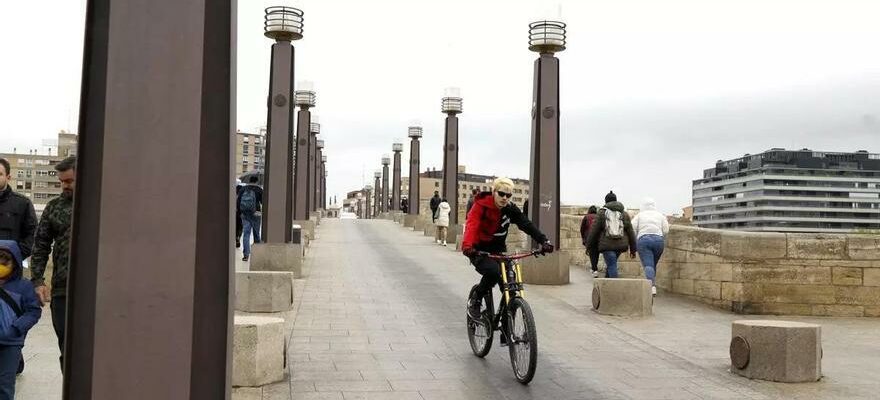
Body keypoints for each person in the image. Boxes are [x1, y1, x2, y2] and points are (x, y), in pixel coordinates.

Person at [462, 178, 554, 320]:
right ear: (494, 192)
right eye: (501, 194)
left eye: (508, 195)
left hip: (498, 251)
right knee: (493, 272)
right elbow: (471, 225)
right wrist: (468, 246)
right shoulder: (481, 206)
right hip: (479, 250)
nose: (505, 198)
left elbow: (526, 224)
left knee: (511, 287)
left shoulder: (510, 209)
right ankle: (476, 298)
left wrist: (543, 240)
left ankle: (507, 330)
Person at [31, 156, 76, 369]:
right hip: (62, 291)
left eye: (69, 181)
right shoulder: (54, 207)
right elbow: (40, 245)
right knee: (67, 351)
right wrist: (38, 280)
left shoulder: (102, 205)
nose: (64, 186)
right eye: (61, 182)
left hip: (97, 291)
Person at [0, 241, 41, 399]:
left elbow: (33, 311)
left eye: (5, 261)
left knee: (5, 384)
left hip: (10, 343)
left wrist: (17, 328)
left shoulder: (23, 287)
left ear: (15, 262)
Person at [585, 191, 637, 279]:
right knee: (611, 263)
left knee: (611, 264)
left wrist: (588, 246)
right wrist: (633, 249)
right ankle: (606, 285)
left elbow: (594, 231)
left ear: (606, 202)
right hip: (621, 245)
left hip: (607, 245)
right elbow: (630, 232)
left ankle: (614, 288)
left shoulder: (602, 213)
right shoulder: (624, 214)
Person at [0, 158, 37, 260]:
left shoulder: (23, 203)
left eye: (0, 174)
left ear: (8, 177)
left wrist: (15, 255)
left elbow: (33, 234)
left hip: (10, 267)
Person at [631, 198, 669, 296]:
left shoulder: (639, 215)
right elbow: (666, 230)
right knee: (653, 265)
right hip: (658, 240)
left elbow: (632, 228)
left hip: (644, 240)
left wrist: (636, 238)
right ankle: (652, 284)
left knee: (648, 265)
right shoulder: (660, 215)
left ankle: (651, 286)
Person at [238, 175, 263, 261]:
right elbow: (263, 202)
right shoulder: (259, 190)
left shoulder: (243, 189)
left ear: (249, 180)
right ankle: (258, 255)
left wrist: (240, 212)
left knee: (246, 234)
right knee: (256, 234)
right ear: (256, 181)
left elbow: (238, 201)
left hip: (245, 214)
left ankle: (246, 255)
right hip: (256, 214)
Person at [579, 206, 600, 278]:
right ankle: (594, 268)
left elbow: (582, 229)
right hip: (598, 239)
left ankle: (595, 269)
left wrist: (584, 238)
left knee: (592, 254)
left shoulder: (586, 217)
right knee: (596, 254)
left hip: (589, 238)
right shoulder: (598, 217)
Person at [234, 181, 244, 248]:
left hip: (235, 214)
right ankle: (238, 238)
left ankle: (235, 237)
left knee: (235, 227)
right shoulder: (243, 197)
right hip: (241, 214)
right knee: (240, 227)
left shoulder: (233, 197)